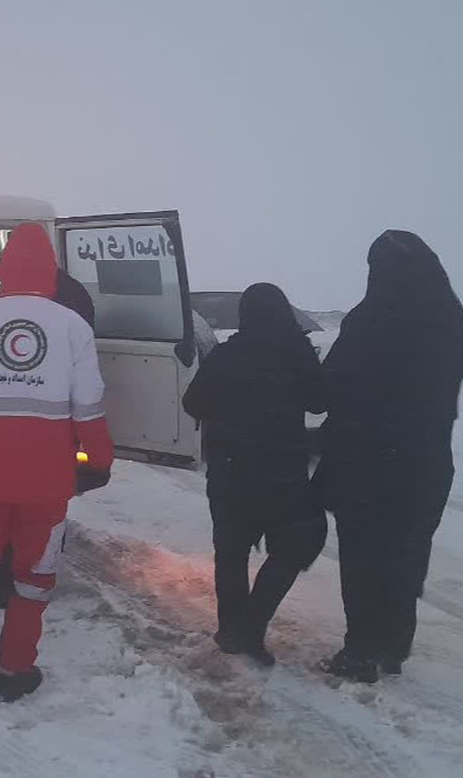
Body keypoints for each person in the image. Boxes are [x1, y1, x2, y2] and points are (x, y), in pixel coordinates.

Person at [0, 223, 114, 702]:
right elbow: (90, 404)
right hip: (47, 483)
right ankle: (14, 672)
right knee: (33, 579)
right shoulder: (73, 326)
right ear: (51, 270)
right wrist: (98, 462)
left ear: (4, 267)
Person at [315, 230, 463, 683]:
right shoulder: (451, 321)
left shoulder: (371, 319)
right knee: (407, 553)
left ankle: (361, 651)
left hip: (366, 462)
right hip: (425, 462)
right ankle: (394, 645)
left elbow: (329, 386)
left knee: (364, 557)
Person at [182, 284, 327, 666]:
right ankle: (251, 626)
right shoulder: (296, 354)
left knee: (230, 554)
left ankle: (232, 629)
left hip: (231, 472)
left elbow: (192, 402)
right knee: (292, 550)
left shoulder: (227, 355)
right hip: (283, 474)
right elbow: (320, 400)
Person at [0, 266, 97, 610]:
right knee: (46, 502)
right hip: (57, 420)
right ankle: (35, 574)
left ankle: (6, 580)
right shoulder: (76, 295)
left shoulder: (9, 294)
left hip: (9, 419)